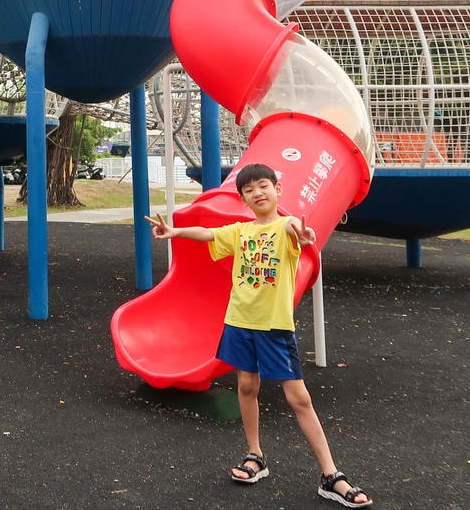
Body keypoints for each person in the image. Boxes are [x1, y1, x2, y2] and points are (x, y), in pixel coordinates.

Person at [145, 162, 373, 507]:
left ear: (277, 190)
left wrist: (305, 235)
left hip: (274, 327)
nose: (257, 193)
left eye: (263, 186)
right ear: (243, 199)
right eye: (249, 190)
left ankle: (331, 475)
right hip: (239, 322)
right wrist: (175, 232)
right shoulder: (241, 231)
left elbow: (299, 231)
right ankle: (255, 455)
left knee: (299, 398)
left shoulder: (286, 227)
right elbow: (208, 234)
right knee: (247, 387)